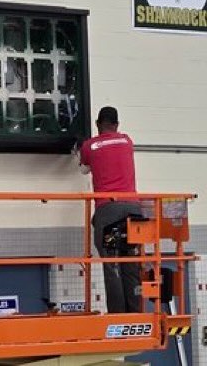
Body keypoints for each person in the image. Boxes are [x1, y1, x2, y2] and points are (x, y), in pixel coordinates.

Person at [78, 105, 143, 313]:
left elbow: (83, 170)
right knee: (131, 263)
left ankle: (118, 315)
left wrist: (79, 151)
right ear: (117, 125)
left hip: (109, 210)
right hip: (134, 209)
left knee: (112, 263)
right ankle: (135, 313)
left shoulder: (90, 146)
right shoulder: (127, 141)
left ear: (98, 124)